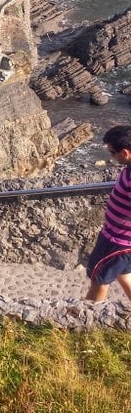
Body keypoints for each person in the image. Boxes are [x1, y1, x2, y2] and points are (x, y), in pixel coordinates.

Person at [85, 125, 131, 303]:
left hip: (117, 242)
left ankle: (86, 319)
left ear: (125, 153)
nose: (112, 157)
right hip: (122, 242)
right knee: (125, 275)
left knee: (99, 280)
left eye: (113, 153)